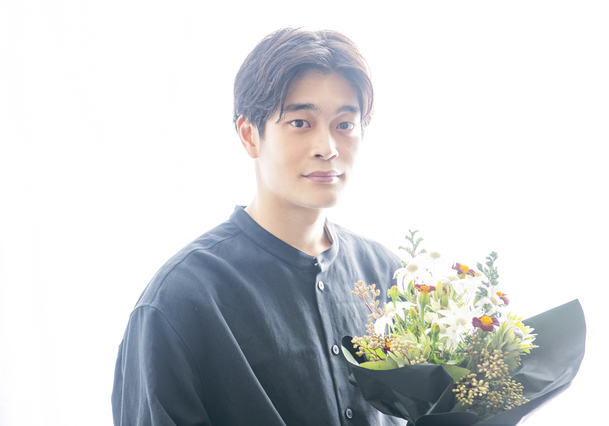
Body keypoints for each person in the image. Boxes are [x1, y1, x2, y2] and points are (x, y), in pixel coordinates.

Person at [112, 27, 404, 425]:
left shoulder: (389, 274)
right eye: (300, 122)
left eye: (345, 124)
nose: (328, 148)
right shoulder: (179, 299)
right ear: (249, 135)